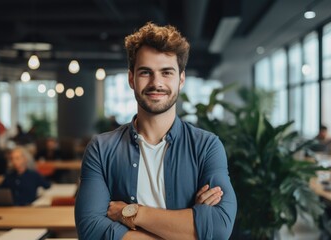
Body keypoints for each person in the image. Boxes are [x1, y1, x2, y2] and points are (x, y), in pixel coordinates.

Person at [75, 22, 237, 240]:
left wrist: (131, 213)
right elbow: (92, 231)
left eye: (166, 72)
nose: (156, 82)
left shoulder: (206, 147)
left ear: (181, 79)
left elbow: (218, 229)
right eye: (145, 72)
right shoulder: (101, 149)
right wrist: (188, 229)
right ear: (131, 78)